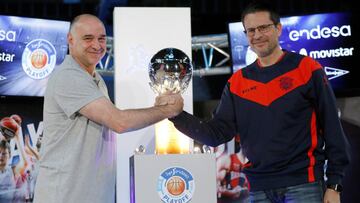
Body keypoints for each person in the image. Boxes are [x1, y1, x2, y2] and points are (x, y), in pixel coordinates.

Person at [161, 1, 350, 203]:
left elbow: (332, 129)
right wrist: (177, 116)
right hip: (258, 190)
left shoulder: (307, 69)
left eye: (263, 28)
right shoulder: (237, 82)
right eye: (250, 30)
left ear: (278, 29)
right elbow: (216, 134)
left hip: (304, 185)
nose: (257, 35)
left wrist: (334, 185)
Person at [33, 14, 183, 203]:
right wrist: (167, 110)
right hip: (65, 196)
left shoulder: (96, 80)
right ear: (70, 40)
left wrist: (157, 109)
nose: (97, 45)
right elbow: (119, 122)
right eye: (88, 38)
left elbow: (114, 120)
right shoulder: (69, 76)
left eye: (102, 38)